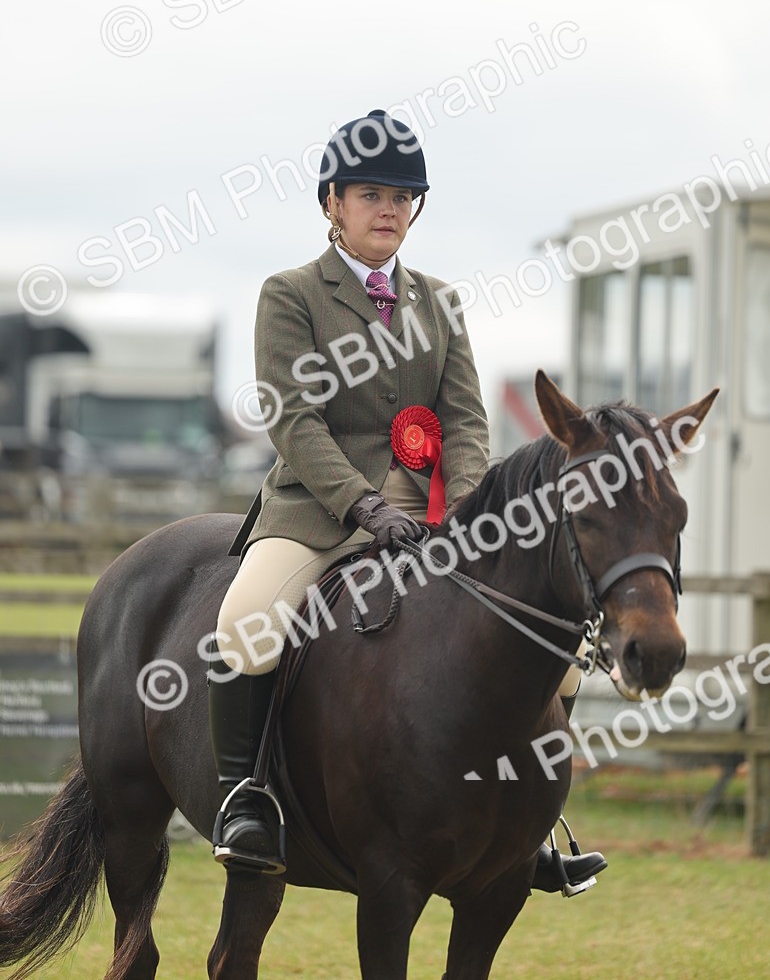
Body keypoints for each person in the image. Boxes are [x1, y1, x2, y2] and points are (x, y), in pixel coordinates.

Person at [209, 109, 605, 896]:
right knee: (245, 627)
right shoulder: (289, 295)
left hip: (433, 521)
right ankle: (245, 800)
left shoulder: (441, 303)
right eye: (369, 193)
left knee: (564, 652)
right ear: (332, 203)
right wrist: (362, 506)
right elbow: (293, 418)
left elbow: (463, 421)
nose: (387, 208)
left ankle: (532, 826)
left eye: (402, 195)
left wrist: (465, 514)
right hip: (320, 513)